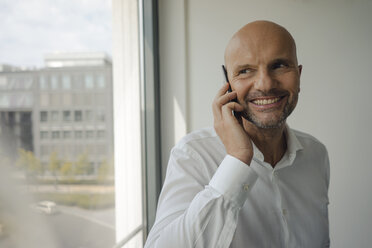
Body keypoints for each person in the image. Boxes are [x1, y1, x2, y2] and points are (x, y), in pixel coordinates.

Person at [144, 20, 330, 248]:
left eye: (279, 65)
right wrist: (237, 159)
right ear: (228, 84)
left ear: (298, 75)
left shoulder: (316, 154)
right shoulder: (193, 155)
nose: (265, 84)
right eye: (245, 71)